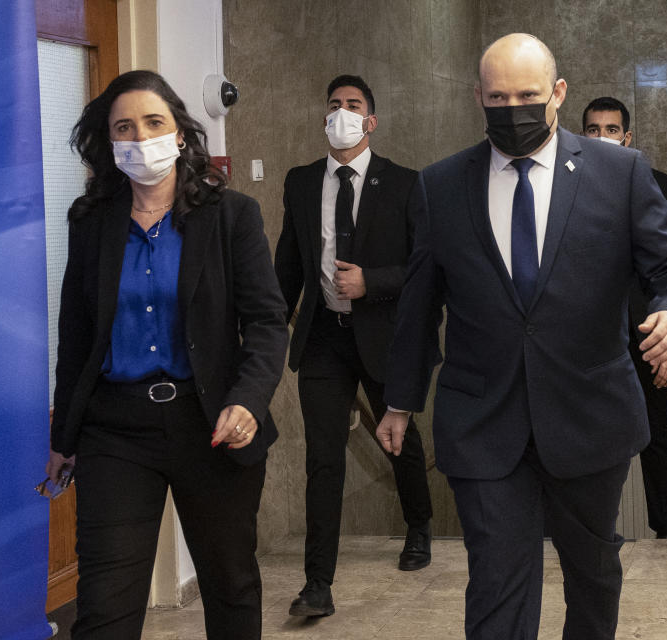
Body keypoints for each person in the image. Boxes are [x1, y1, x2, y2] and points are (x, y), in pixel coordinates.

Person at [376, 34, 667, 640]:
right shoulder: (440, 186)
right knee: (498, 581)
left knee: (594, 575)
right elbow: (419, 305)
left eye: (527, 94)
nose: (512, 108)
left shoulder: (621, 173)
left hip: (589, 414)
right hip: (483, 419)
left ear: (557, 94)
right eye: (497, 96)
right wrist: (400, 399)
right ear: (477, 96)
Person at [46, 70, 288, 639]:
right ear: (109, 143)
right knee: (105, 603)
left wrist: (249, 400)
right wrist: (63, 439)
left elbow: (266, 322)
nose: (140, 137)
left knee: (230, 587)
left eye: (153, 122)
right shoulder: (90, 223)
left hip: (211, 423)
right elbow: (75, 336)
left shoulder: (232, 216)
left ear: (179, 133)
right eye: (123, 127)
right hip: (116, 431)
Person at [274, 74, 434, 617]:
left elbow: (424, 267)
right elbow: (288, 266)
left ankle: (419, 524)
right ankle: (317, 584)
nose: (342, 112)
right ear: (325, 117)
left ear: (371, 120)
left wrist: (372, 281)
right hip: (322, 340)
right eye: (334, 105)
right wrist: (265, 324)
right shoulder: (300, 182)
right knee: (324, 460)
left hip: (383, 335)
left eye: (354, 105)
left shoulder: (407, 184)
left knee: (399, 440)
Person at [583, 96, 667, 539]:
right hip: (588, 342)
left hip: (651, 338)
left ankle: (665, 532)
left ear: (627, 137)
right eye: (593, 130)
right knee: (591, 440)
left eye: (611, 130)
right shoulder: (564, 190)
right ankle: (595, 532)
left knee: (655, 435)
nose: (602, 138)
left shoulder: (662, 186)